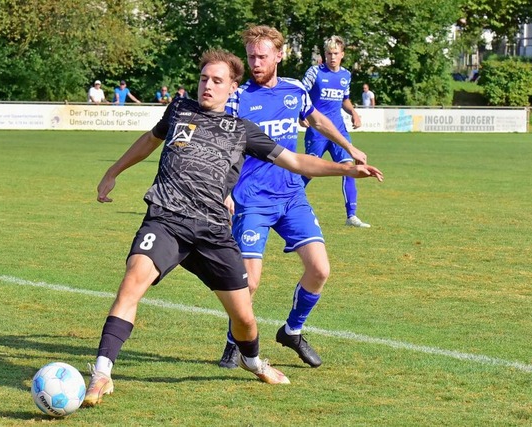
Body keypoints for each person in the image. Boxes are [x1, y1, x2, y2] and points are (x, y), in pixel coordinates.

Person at [83, 48, 383, 407]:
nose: (207, 86)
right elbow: (150, 140)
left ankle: (252, 360)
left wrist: (347, 168)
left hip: (213, 231)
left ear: (232, 88)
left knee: (244, 317)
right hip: (167, 219)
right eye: (203, 79)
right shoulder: (179, 110)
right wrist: (112, 172)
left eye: (217, 81)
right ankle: (101, 373)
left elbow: (295, 160)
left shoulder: (243, 131)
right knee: (132, 283)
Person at [218, 25, 368, 370]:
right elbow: (223, 147)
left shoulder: (295, 91)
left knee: (319, 269)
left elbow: (316, 119)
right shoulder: (238, 97)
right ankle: (233, 341)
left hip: (291, 197)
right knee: (249, 281)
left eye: (262, 56)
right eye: (251, 56)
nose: (255, 63)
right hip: (251, 200)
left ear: (279, 55)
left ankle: (292, 330)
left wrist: (348, 147)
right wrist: (224, 191)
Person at [302, 36, 371, 228]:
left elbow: (345, 99)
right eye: (328, 54)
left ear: (342, 55)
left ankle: (352, 216)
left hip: (339, 130)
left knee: (349, 167)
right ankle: (285, 203)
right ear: (325, 55)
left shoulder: (346, 75)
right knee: (309, 171)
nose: (332, 57)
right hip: (317, 130)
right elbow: (300, 94)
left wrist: (354, 113)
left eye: (335, 54)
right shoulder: (314, 72)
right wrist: (302, 115)